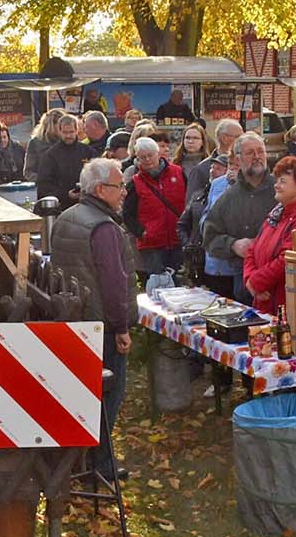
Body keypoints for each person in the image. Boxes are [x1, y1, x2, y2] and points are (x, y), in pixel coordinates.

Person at [50, 158, 136, 481]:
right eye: (120, 185)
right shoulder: (103, 227)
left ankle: (82, 460)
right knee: (108, 396)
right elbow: (114, 283)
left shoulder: (67, 217)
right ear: (101, 189)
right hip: (100, 325)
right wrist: (122, 327)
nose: (125, 191)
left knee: (82, 395)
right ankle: (99, 464)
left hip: (74, 320)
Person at [201, 133, 275, 304]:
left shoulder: (280, 190)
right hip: (242, 284)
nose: (257, 157)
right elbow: (209, 236)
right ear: (238, 159)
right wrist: (233, 245)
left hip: (280, 283)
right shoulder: (228, 197)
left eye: (261, 151)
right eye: (250, 153)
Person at [242, 155, 296, 315]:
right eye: (277, 181)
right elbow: (253, 249)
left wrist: (257, 282)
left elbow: (288, 257)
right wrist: (250, 280)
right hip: (263, 301)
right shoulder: (276, 212)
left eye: (283, 182)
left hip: (283, 304)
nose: (276, 185)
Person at [122, 136, 187, 280]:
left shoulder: (178, 172)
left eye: (150, 156)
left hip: (178, 239)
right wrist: (142, 233)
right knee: (157, 282)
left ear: (158, 154)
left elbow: (188, 203)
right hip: (152, 245)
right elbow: (127, 214)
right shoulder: (135, 183)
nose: (147, 160)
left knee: (179, 283)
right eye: (142, 157)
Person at [178, 152, 227, 285]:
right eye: (212, 167)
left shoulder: (229, 198)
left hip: (218, 262)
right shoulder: (198, 195)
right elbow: (182, 224)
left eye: (218, 168)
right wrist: (188, 244)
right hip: (196, 261)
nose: (213, 171)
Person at [37, 113, 96, 203]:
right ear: (59, 131)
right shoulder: (50, 155)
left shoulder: (88, 151)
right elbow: (44, 185)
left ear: (77, 130)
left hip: (87, 202)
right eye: (65, 132)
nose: (68, 136)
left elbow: (97, 176)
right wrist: (65, 194)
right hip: (61, 205)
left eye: (71, 132)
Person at [188, 119, 243, 203]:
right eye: (239, 137)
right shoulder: (201, 169)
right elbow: (192, 206)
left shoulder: (245, 165)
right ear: (224, 138)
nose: (243, 140)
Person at [24, 108, 66, 182]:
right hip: (44, 187)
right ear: (52, 125)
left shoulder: (67, 141)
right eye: (60, 125)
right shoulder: (35, 143)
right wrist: (44, 180)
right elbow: (29, 172)